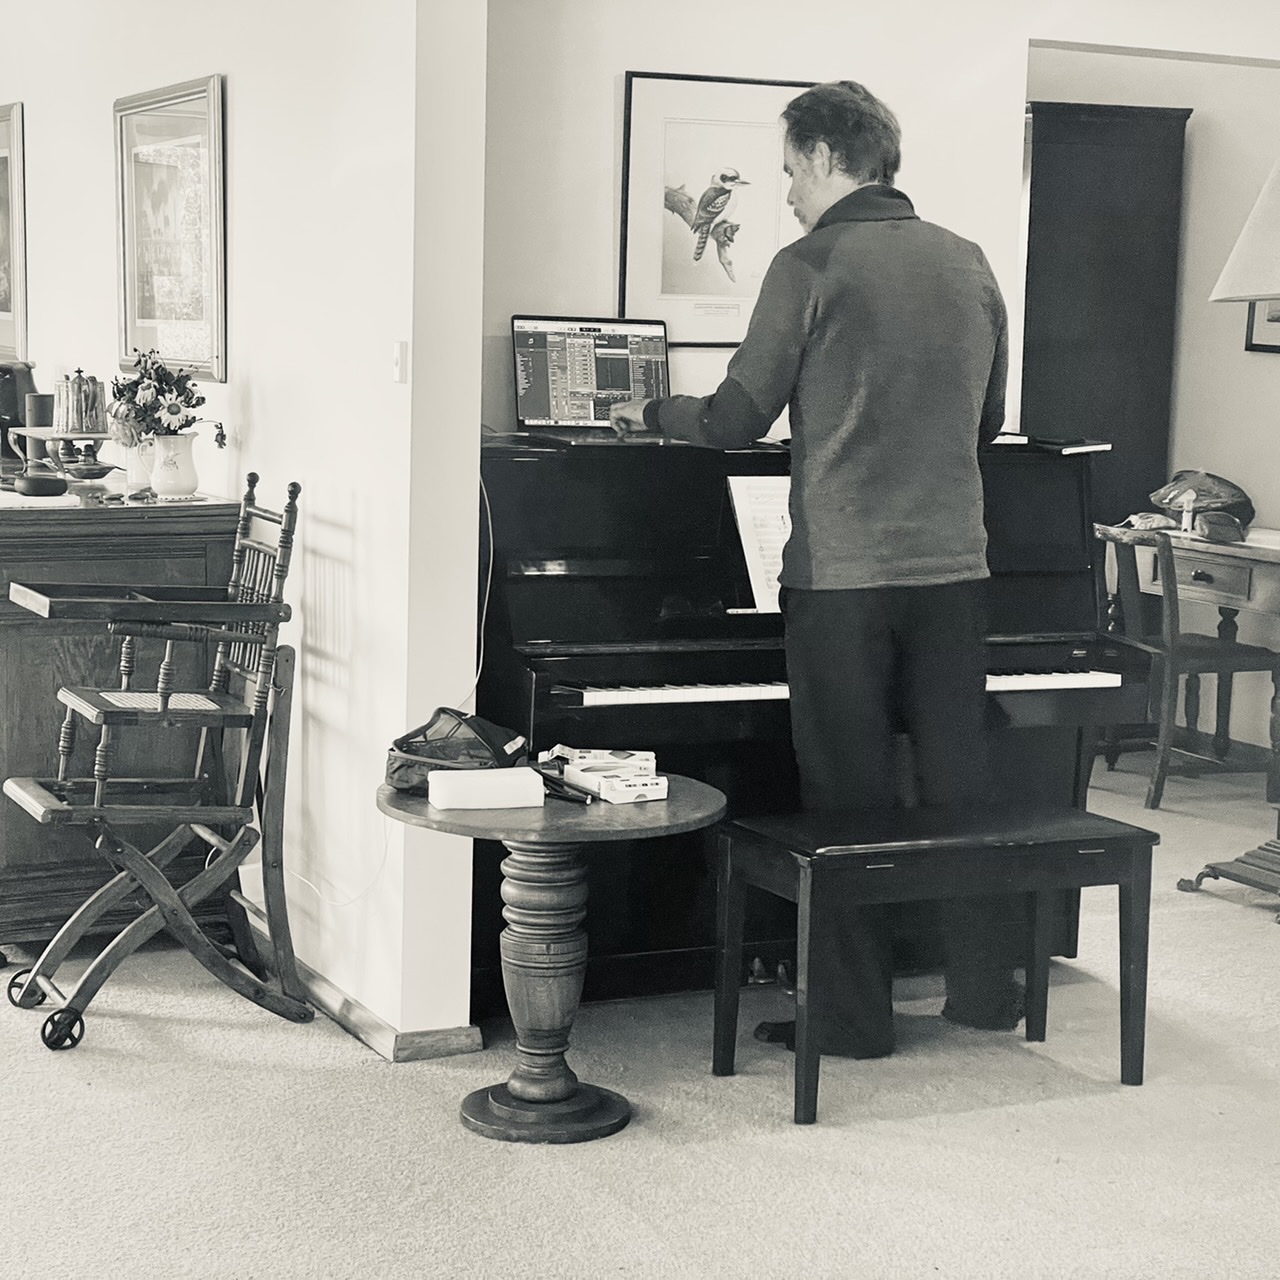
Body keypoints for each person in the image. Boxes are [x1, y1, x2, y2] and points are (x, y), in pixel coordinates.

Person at [609, 79, 1020, 1059]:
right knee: (958, 785)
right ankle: (982, 988)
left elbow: (733, 419)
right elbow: (989, 422)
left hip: (843, 580)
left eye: (792, 170)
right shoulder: (967, 260)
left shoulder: (807, 264)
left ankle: (851, 1017)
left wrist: (649, 412)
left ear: (830, 158)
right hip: (956, 575)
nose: (789, 193)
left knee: (846, 796)